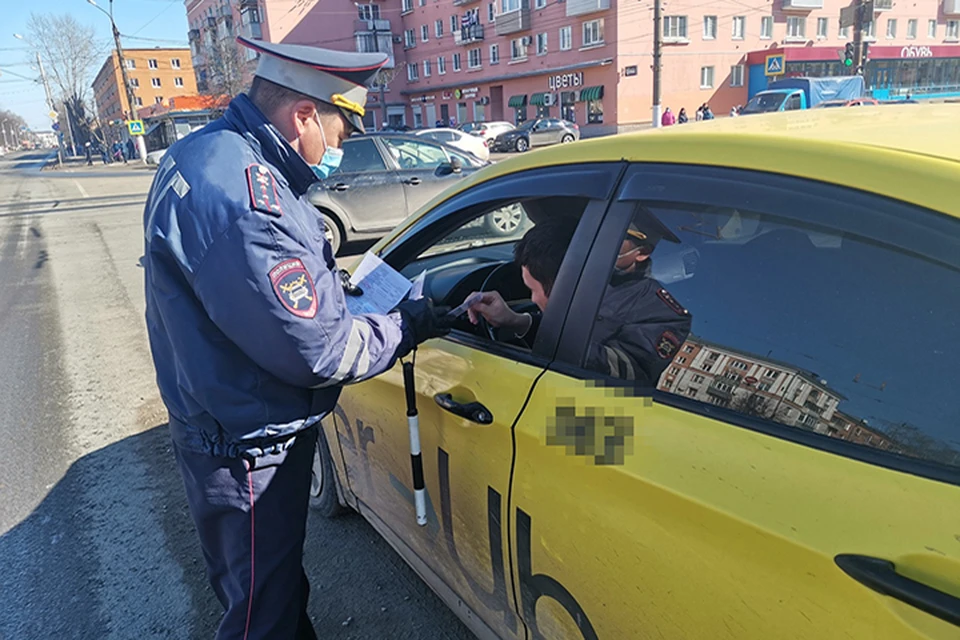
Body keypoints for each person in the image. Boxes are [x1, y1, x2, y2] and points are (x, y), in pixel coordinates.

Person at [142, 37, 449, 640]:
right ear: (304, 114)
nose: (337, 152)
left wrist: (345, 297)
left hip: (216, 416)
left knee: (255, 586)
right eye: (339, 136)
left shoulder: (205, 155)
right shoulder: (248, 203)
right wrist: (408, 325)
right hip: (248, 444)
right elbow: (324, 350)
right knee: (263, 611)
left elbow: (264, 296)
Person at [466, 211, 692, 384]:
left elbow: (632, 375)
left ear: (642, 252)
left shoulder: (663, 313)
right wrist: (517, 321)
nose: (533, 299)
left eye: (616, 240)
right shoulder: (597, 279)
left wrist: (557, 326)